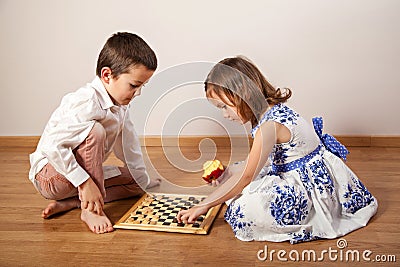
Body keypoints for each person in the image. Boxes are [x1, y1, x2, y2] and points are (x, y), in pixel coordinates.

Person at [177, 56, 378, 243]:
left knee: (242, 211)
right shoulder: (271, 109)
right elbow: (256, 162)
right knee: (238, 177)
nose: (224, 115)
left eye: (223, 106)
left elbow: (247, 176)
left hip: (309, 186)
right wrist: (228, 173)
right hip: (309, 171)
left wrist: (204, 205)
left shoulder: (269, 126)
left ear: (242, 94)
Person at [29, 32, 161, 234]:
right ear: (107, 75)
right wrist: (85, 183)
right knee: (95, 130)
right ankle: (91, 210)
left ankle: (72, 203)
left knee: (138, 182)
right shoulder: (85, 102)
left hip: (76, 177)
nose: (138, 93)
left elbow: (129, 146)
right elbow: (52, 147)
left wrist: (142, 178)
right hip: (51, 176)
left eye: (142, 86)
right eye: (134, 85)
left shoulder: (120, 105)